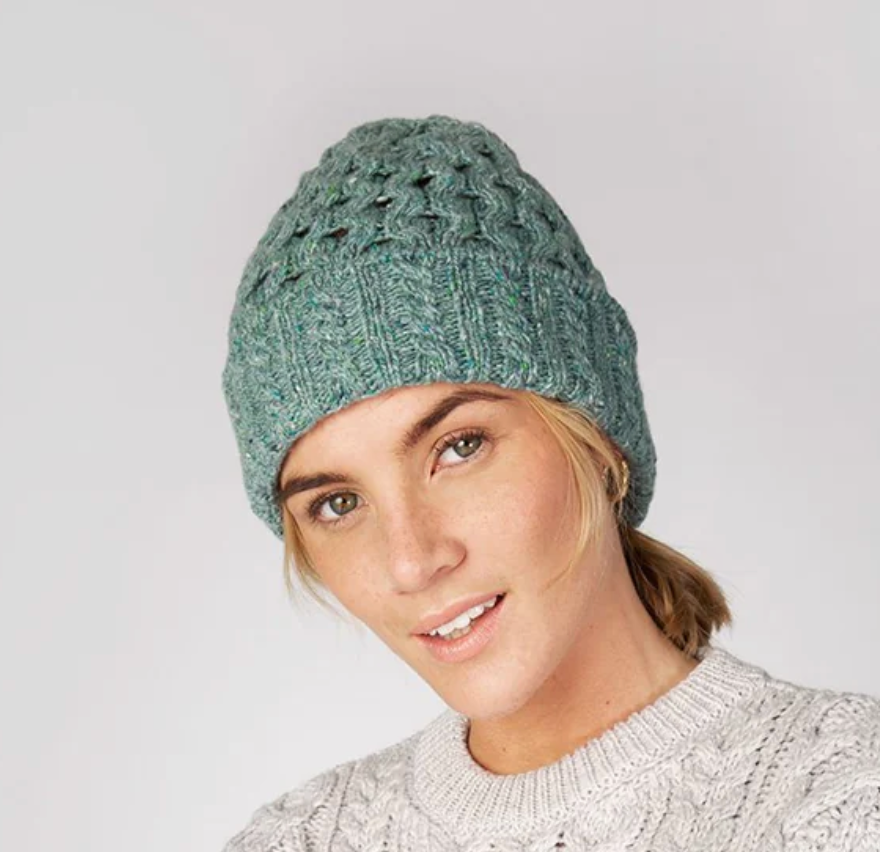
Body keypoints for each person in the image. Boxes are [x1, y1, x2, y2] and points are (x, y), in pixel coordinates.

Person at [220, 115, 880, 851]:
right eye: (338, 503)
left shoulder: (848, 802)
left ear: (597, 439)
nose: (410, 561)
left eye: (459, 447)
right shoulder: (300, 840)